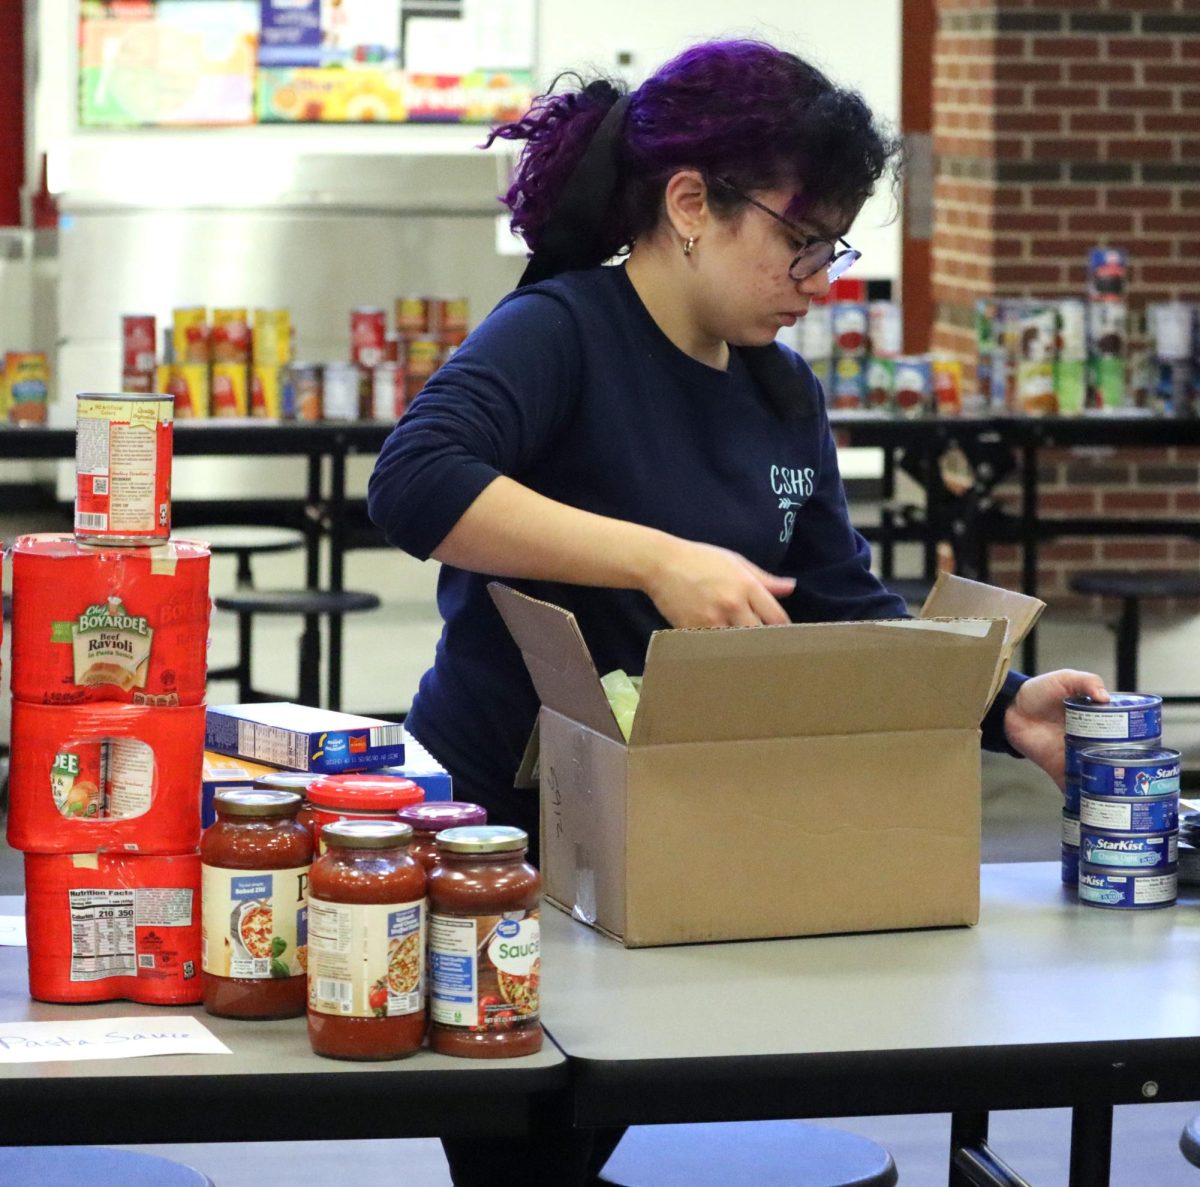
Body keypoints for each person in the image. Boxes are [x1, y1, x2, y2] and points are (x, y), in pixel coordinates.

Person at [368, 39, 1106, 1186]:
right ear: (690, 204)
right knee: (532, 1152)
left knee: (629, 1099)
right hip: (507, 829)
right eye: (798, 239)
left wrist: (1004, 707)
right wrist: (657, 560)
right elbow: (414, 481)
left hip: (676, 829)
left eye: (833, 246)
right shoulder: (562, 331)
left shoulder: (779, 387)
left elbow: (839, 602)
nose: (819, 277)